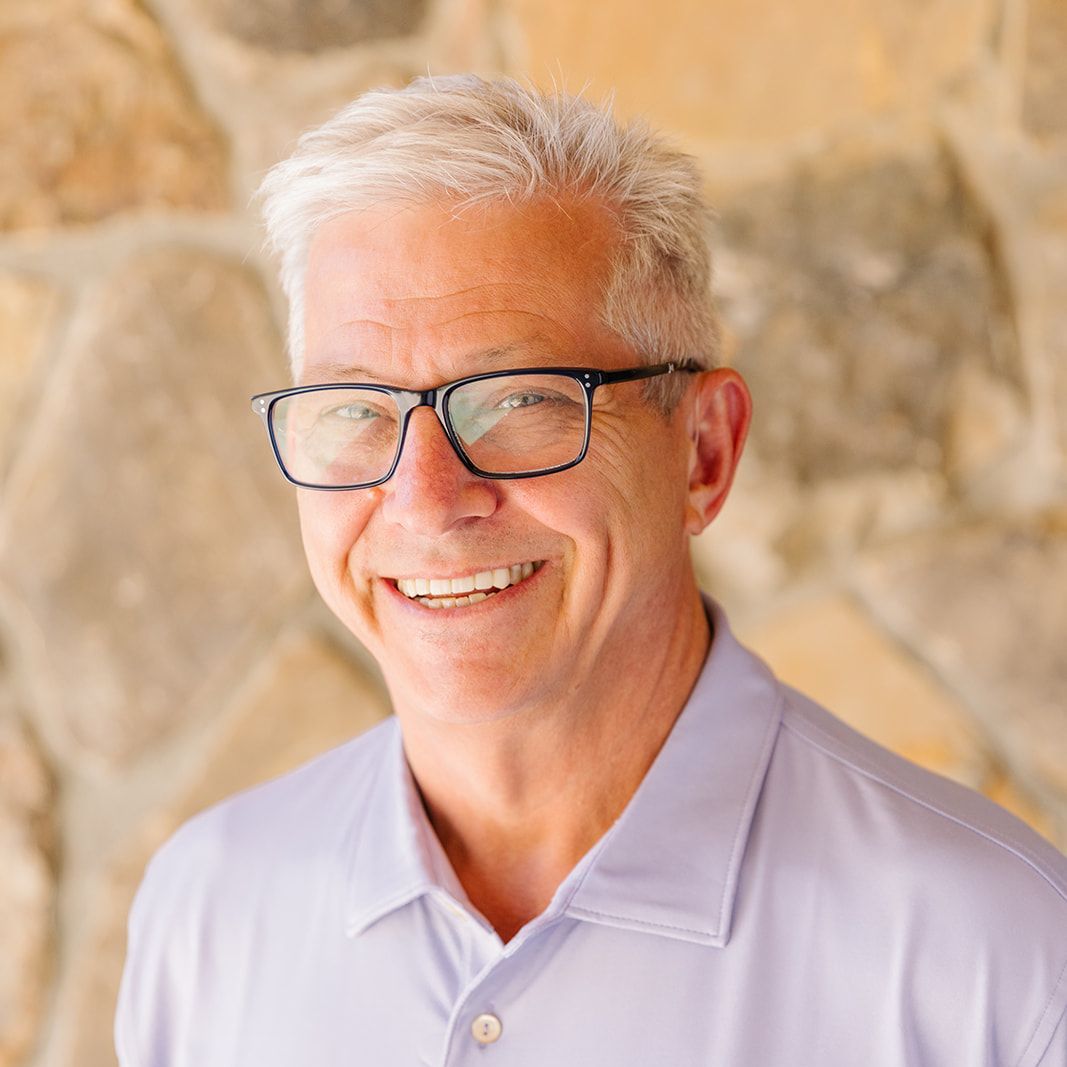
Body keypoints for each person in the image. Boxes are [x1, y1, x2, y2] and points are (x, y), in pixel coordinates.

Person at [115, 75, 1067, 1066]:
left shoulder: (997, 964)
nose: (426, 499)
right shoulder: (209, 912)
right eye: (357, 410)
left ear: (702, 451)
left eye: (518, 401)